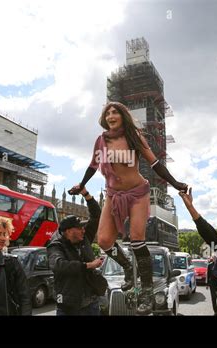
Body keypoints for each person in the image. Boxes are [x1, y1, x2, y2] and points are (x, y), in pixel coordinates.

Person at [68, 101, 187, 315]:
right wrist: (82, 185)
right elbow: (93, 166)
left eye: (115, 112)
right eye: (108, 113)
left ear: (123, 116)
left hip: (137, 193)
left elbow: (155, 164)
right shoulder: (101, 140)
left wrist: (176, 182)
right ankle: (127, 267)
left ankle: (147, 292)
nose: (111, 115)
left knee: (136, 239)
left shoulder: (134, 137)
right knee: (104, 240)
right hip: (113, 195)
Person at [47, 186, 104, 315]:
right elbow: (59, 265)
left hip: (91, 305)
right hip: (69, 308)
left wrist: (85, 194)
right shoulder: (56, 246)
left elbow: (96, 216)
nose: (84, 230)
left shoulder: (84, 238)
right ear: (68, 231)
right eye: (79, 228)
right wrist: (89, 265)